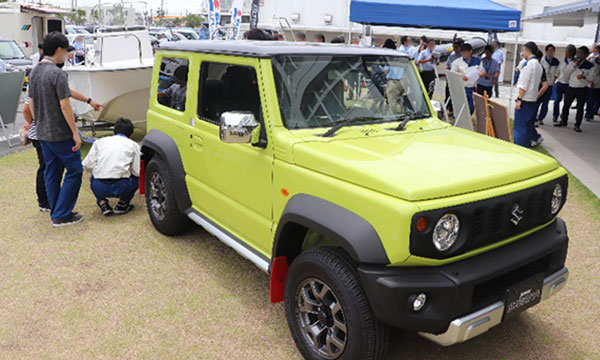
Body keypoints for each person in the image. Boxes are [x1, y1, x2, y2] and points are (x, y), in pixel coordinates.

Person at [28, 32, 83, 226]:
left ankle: (56, 209)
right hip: (59, 133)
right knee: (75, 170)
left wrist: (38, 122)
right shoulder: (58, 74)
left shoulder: (34, 71)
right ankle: (61, 214)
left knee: (52, 171)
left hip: (42, 131)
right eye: (66, 51)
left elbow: (31, 103)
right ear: (58, 50)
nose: (67, 55)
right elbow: (65, 106)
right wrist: (75, 132)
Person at [82, 118, 140, 216]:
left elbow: (87, 165)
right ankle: (123, 203)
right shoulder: (134, 145)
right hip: (122, 186)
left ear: (114, 132)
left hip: (99, 186)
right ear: (130, 135)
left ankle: (102, 203)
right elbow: (137, 171)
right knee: (137, 178)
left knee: (93, 176)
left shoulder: (99, 142)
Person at [557, 46, 593, 132]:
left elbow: (592, 78)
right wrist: (574, 65)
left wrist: (584, 77)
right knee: (566, 105)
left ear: (585, 55)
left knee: (580, 107)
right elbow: (565, 72)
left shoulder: (589, 65)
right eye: (578, 53)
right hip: (571, 86)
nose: (579, 55)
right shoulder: (573, 62)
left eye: (581, 53)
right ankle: (563, 120)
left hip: (582, 88)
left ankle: (577, 125)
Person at [513, 42, 543, 148]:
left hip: (524, 100)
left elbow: (523, 84)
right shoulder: (539, 65)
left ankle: (518, 148)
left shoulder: (529, 65)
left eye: (523, 50)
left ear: (527, 50)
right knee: (528, 127)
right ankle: (526, 148)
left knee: (520, 128)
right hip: (532, 100)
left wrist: (519, 99)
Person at [451, 43, 483, 114]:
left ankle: (469, 120)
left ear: (470, 51)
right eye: (463, 53)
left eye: (466, 52)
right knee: (461, 106)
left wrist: (480, 74)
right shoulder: (457, 62)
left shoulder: (478, 61)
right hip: (462, 87)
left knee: (471, 107)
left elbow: (482, 71)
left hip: (472, 87)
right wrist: (461, 76)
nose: (464, 54)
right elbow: (452, 74)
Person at [536, 44, 559, 125]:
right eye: (549, 51)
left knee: (545, 103)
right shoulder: (542, 60)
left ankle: (541, 118)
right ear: (546, 51)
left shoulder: (556, 62)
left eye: (552, 51)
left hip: (550, 84)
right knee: (537, 101)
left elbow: (557, 73)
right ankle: (535, 117)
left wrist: (554, 80)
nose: (551, 52)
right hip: (541, 84)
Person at [553, 44, 576, 123]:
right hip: (560, 82)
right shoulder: (562, 60)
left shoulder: (575, 62)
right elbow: (557, 71)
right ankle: (555, 116)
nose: (567, 53)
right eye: (567, 51)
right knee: (557, 100)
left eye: (569, 51)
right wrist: (554, 80)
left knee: (567, 102)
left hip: (569, 84)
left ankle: (563, 117)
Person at [532, 48, 548, 147]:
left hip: (533, 98)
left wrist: (536, 96)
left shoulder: (540, 68)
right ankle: (534, 136)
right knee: (528, 120)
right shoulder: (532, 67)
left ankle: (536, 137)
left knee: (529, 119)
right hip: (529, 97)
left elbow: (545, 85)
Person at [445, 39, 463, 115]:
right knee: (448, 93)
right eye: (454, 47)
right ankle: (450, 109)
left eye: (457, 47)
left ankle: (456, 110)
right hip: (450, 77)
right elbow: (448, 66)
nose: (455, 49)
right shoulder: (451, 56)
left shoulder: (462, 57)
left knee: (457, 94)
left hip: (458, 77)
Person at [585, 55, 600, 121]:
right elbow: (590, 73)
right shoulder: (593, 61)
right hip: (593, 83)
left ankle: (594, 112)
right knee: (591, 100)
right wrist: (590, 81)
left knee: (598, 101)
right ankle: (588, 115)